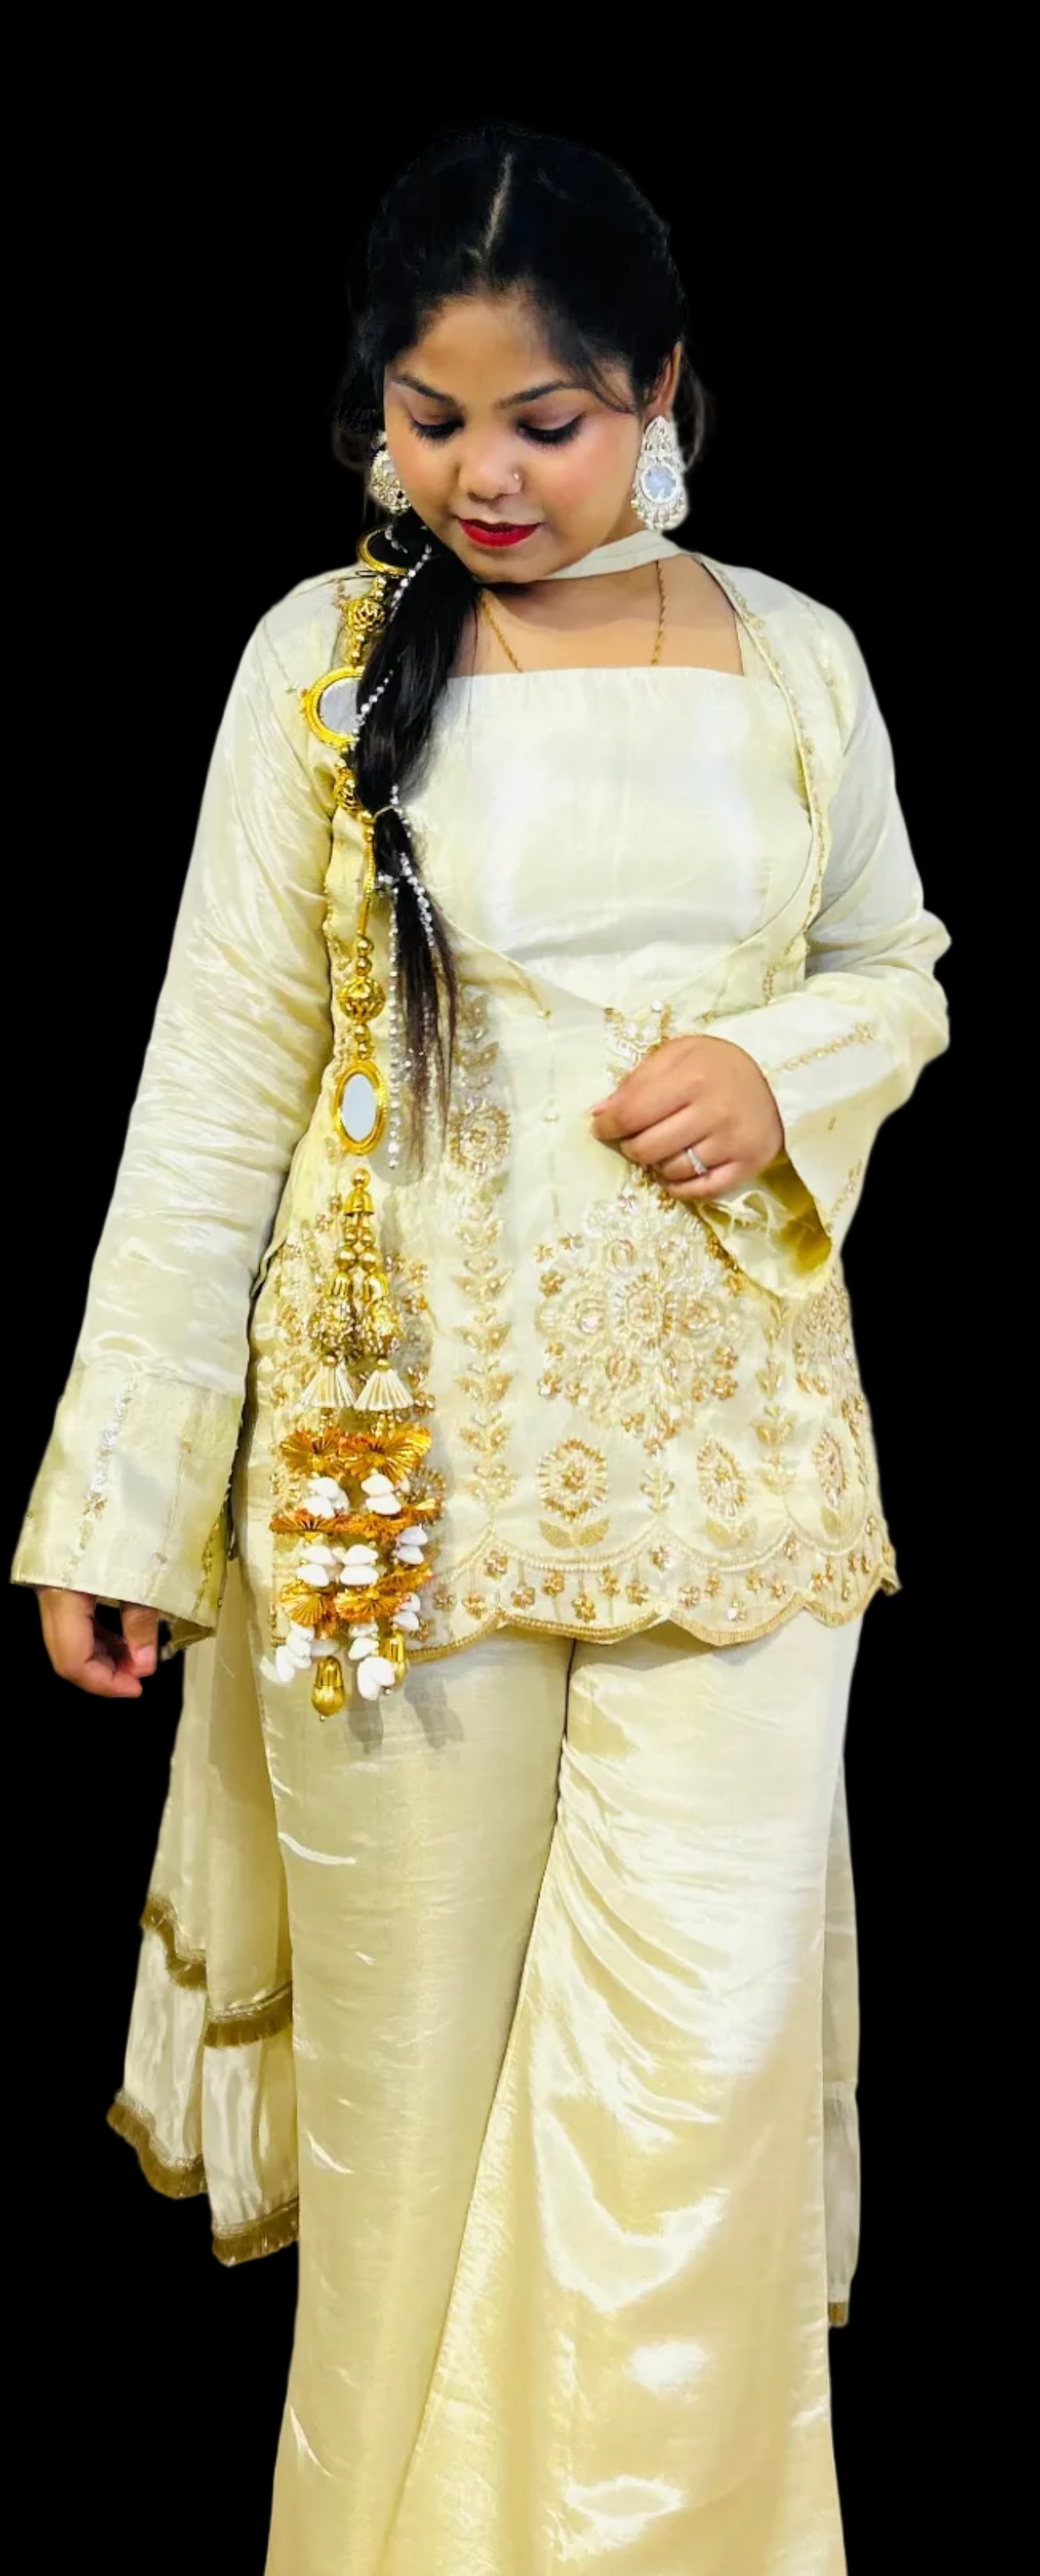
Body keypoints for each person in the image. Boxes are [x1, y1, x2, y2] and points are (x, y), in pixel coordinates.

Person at [13, 124, 949, 2576]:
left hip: (732, 1476)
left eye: (545, 421)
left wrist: (785, 1072)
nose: (487, 478)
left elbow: (898, 969)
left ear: (660, 389)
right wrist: (123, 1503)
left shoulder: (792, 655)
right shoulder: (320, 664)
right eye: (431, 421)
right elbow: (216, 1089)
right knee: (409, 2121)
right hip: (387, 1473)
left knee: (697, 2102)